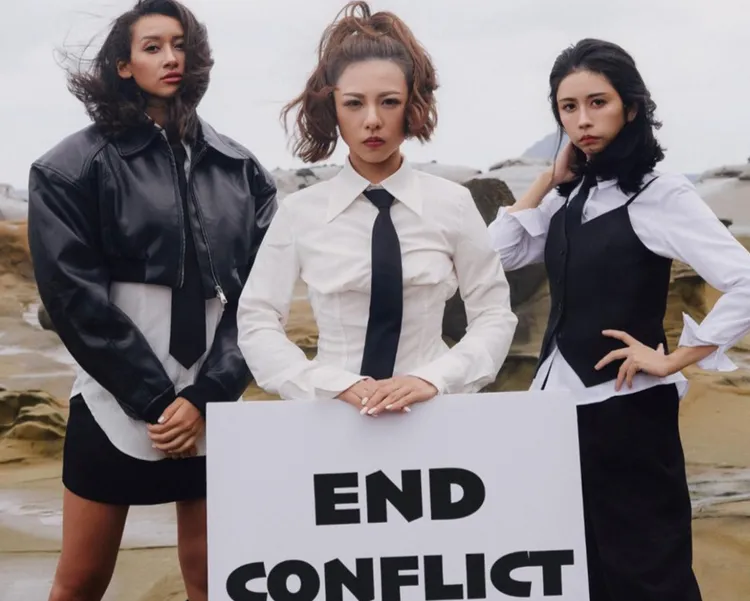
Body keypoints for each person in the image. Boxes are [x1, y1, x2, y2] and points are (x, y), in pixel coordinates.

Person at [27, 1, 276, 600]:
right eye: (153, 46)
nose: (171, 58)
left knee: (216, 579)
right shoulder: (69, 168)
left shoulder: (242, 169)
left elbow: (259, 300)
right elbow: (73, 299)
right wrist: (158, 402)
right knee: (80, 581)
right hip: (116, 398)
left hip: (213, 400)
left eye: (181, 44)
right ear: (122, 64)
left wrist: (207, 395)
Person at [488, 38, 750, 601]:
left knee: (647, 575)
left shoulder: (662, 193)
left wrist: (676, 357)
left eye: (597, 103)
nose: (583, 120)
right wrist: (547, 180)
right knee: (576, 575)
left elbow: (745, 281)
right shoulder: (568, 197)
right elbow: (495, 255)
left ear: (630, 108)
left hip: (628, 412)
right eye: (568, 107)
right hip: (555, 414)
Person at [236, 1, 517, 415]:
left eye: (388, 102)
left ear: (412, 106)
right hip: (332, 416)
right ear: (332, 108)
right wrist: (328, 384)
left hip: (436, 415)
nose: (372, 120)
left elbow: (493, 314)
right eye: (354, 103)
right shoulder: (299, 213)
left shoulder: (453, 205)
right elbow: (257, 320)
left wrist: (433, 379)